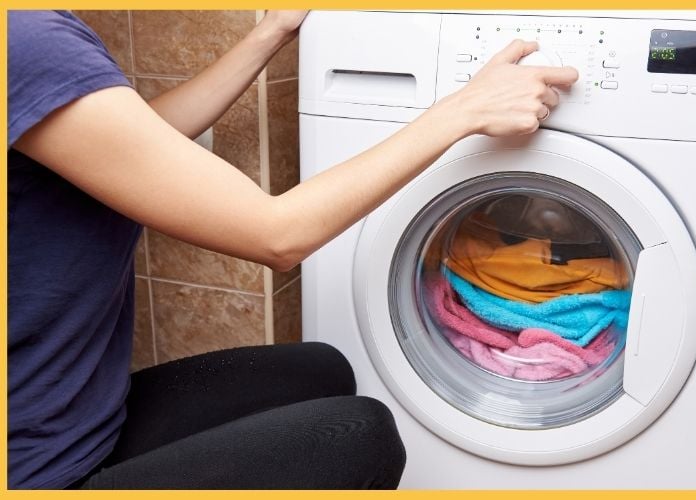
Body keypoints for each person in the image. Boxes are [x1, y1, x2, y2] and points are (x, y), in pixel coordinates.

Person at [7, 10, 579, 490]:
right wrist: (463, 111)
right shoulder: (28, 38)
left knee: (321, 367)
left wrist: (270, 33)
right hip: (37, 469)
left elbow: (130, 143)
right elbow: (276, 235)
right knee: (360, 435)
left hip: (69, 417)